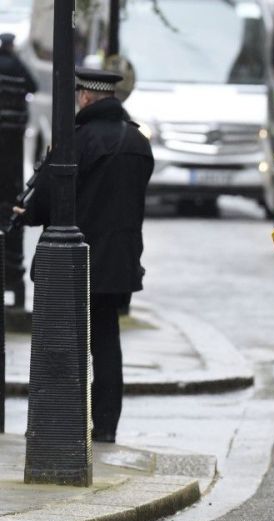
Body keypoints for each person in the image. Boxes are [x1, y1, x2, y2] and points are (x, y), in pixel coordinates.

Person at [16, 68, 153, 443]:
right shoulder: (138, 142)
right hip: (120, 261)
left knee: (65, 342)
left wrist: (26, 215)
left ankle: (64, 422)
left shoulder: (79, 140)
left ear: (87, 98)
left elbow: (47, 198)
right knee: (107, 341)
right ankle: (106, 425)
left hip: (75, 259)